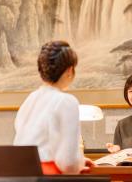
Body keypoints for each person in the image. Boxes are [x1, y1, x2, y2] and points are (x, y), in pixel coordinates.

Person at [14, 40, 94, 175]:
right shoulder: (67, 101)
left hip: (20, 174)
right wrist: (78, 164)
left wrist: (79, 160)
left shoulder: (30, 99)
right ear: (70, 70)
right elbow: (68, 164)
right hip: (48, 177)